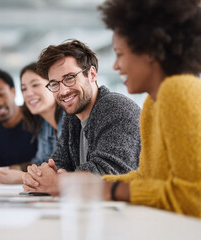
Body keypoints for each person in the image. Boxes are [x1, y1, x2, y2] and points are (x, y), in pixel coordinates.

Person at [92, 0, 201, 218]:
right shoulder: (153, 103)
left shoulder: (178, 89)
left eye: (120, 53)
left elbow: (194, 197)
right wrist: (90, 185)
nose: (115, 66)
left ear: (149, 50)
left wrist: (111, 190)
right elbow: (149, 179)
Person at [22, 40, 141, 195]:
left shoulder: (116, 108)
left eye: (70, 78)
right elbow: (60, 162)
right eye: (54, 84)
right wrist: (38, 176)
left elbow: (109, 174)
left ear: (91, 74)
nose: (63, 91)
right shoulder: (71, 116)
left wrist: (58, 181)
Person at [0, 62, 63, 184]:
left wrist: (21, 177)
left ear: (54, 85)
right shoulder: (45, 126)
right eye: (24, 89)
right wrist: (12, 172)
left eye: (35, 85)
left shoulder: (70, 119)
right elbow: (40, 163)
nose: (28, 93)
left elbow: (70, 171)